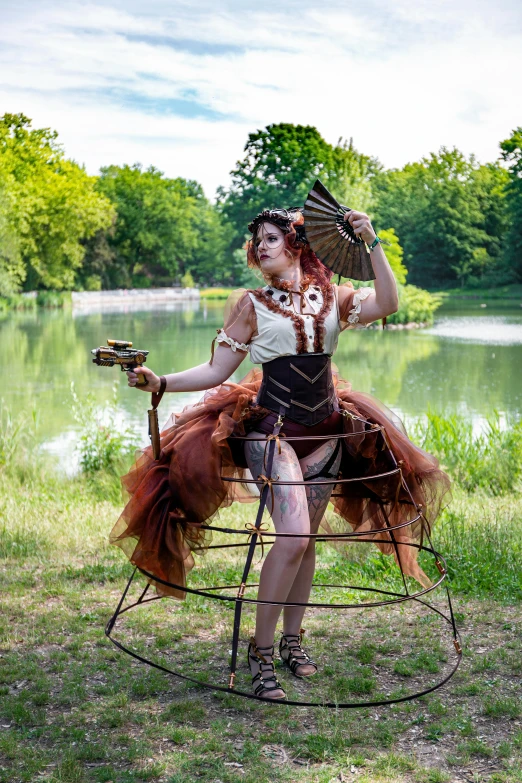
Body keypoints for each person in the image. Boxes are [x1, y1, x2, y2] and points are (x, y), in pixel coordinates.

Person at [115, 207, 450, 701]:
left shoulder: (332, 298)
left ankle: (295, 642)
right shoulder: (251, 305)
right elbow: (214, 370)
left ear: (296, 243)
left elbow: (390, 301)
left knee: (306, 541)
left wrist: (370, 239)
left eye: (271, 238)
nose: (261, 246)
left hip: (327, 430)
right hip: (271, 432)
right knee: (291, 537)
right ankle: (262, 653)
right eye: (257, 240)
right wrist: (161, 381)